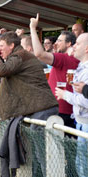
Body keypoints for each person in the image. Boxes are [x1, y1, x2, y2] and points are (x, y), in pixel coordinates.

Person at [0, 31, 58, 176]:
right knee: (38, 153)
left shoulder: (19, 56)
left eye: (2, 46)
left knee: (43, 154)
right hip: (39, 108)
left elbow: (1, 70)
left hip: (44, 108)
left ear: (12, 45)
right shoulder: (18, 56)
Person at [30, 13, 79, 131]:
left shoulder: (63, 59)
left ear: (69, 44)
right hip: (69, 111)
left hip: (60, 111)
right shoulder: (76, 60)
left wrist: (32, 28)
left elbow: (39, 54)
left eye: (59, 40)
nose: (55, 43)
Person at [55, 33, 88, 176]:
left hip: (86, 124)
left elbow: (86, 101)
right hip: (80, 121)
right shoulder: (81, 66)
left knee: (83, 167)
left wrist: (65, 95)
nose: (74, 46)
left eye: (78, 44)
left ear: (86, 49)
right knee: (80, 164)